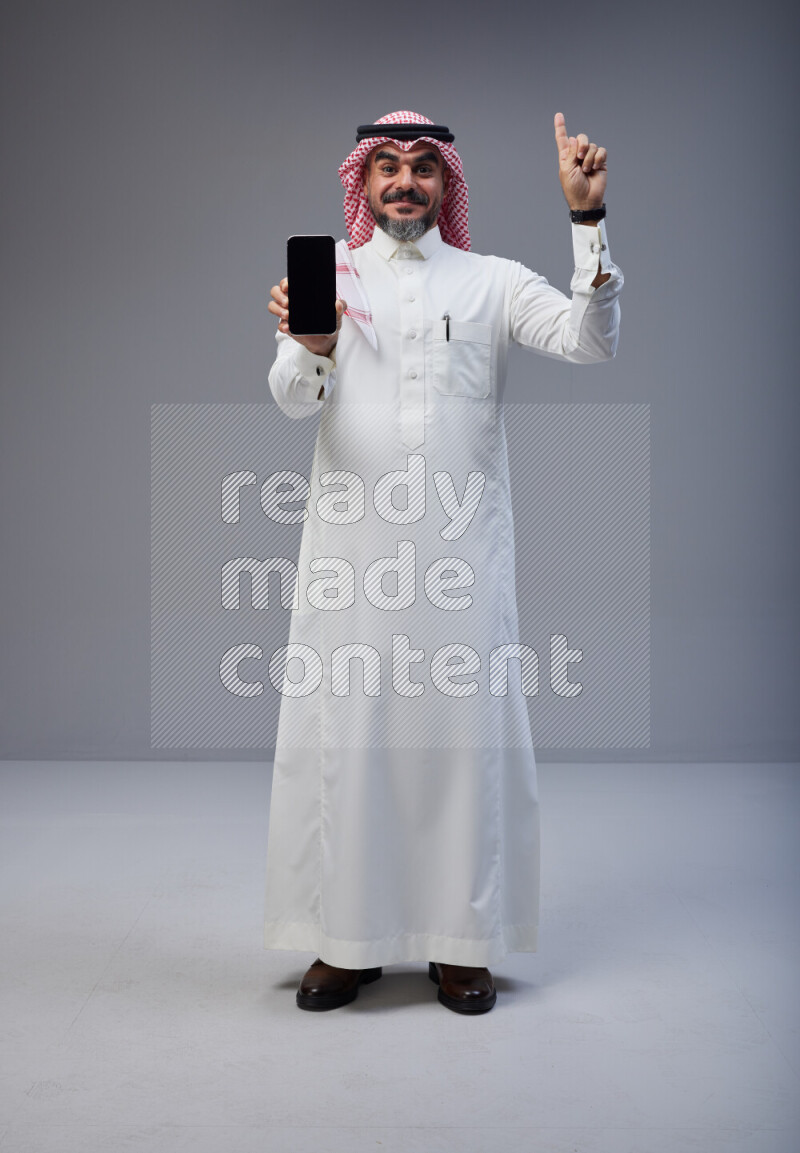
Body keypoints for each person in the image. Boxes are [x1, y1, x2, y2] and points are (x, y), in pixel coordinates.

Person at [265, 110, 623, 1013]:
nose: (403, 183)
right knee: (355, 742)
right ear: (363, 181)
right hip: (354, 562)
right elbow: (289, 402)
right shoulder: (334, 281)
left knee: (464, 747)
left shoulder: (492, 281)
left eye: (423, 168)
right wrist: (311, 349)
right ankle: (346, 943)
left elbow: (591, 338)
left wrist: (587, 223)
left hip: (464, 560)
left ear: (446, 184)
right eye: (385, 167)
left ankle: (462, 943)